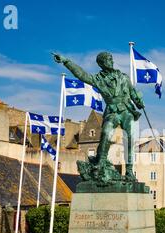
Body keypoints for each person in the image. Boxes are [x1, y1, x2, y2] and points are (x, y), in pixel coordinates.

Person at [53, 52, 145, 181]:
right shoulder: (98, 79)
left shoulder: (124, 77)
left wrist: (139, 102)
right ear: (101, 63)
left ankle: (129, 171)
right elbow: (82, 75)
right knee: (106, 133)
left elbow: (133, 93)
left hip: (126, 111)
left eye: (112, 59)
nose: (111, 61)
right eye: (108, 60)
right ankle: (100, 162)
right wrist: (66, 61)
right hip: (112, 111)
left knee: (129, 139)